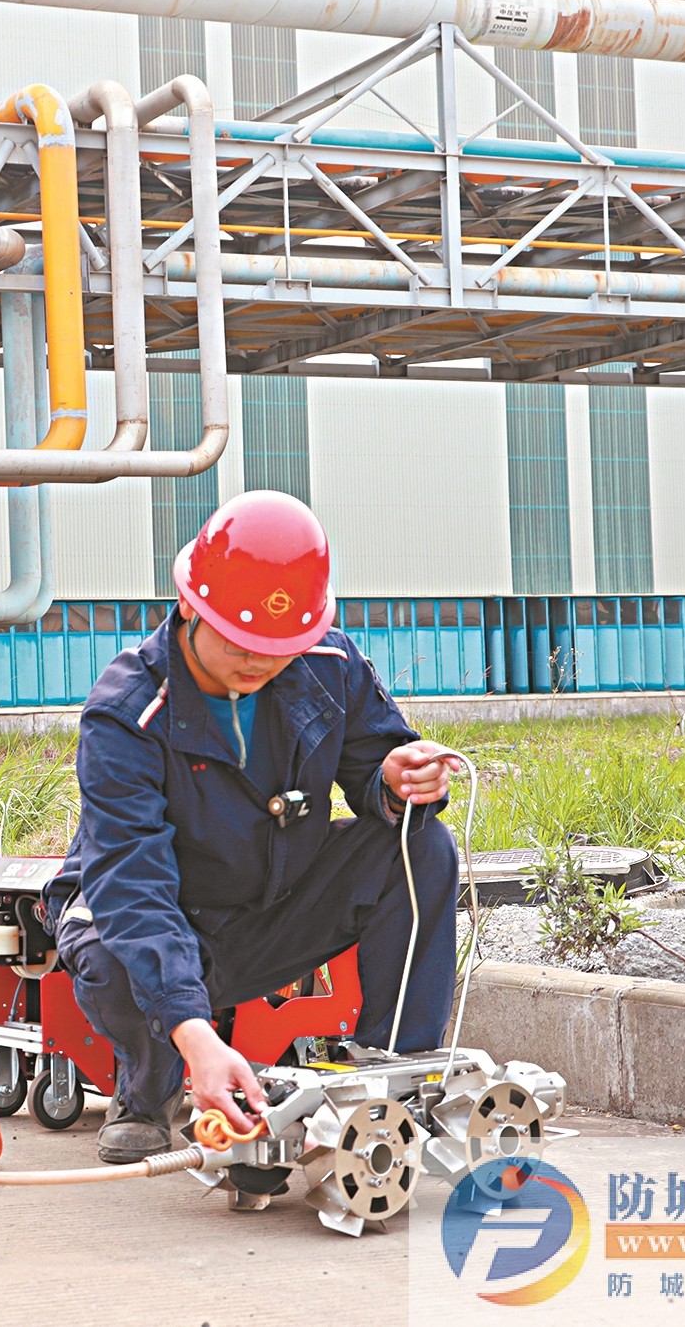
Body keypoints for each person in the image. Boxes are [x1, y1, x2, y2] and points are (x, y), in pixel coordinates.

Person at [40, 491, 461, 1164]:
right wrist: (195, 1034)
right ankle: (148, 1088)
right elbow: (134, 886)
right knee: (115, 950)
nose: (259, 662)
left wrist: (396, 781)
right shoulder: (126, 715)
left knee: (418, 847)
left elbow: (372, 761)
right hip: (156, 914)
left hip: (270, 904)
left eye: (280, 647)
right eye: (240, 642)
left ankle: (394, 1085)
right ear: (189, 606)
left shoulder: (326, 663)